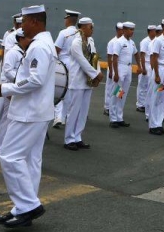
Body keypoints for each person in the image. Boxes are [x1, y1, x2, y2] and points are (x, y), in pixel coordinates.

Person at [0, 4, 56, 230]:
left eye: (24, 22)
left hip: (29, 112)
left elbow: (35, 80)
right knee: (30, 161)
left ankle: (29, 204)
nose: (21, 26)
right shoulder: (44, 44)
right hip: (37, 111)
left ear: (35, 22)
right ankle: (21, 209)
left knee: (9, 156)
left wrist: (7, 88)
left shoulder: (39, 47)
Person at [63, 17, 100, 150]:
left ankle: (77, 137)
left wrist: (98, 72)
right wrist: (95, 74)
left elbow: (95, 57)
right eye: (90, 27)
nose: (92, 30)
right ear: (83, 28)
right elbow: (82, 61)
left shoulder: (90, 41)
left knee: (83, 111)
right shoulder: (76, 43)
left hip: (87, 81)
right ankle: (68, 139)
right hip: (77, 80)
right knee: (74, 110)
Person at [52, 9, 80, 128]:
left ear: (68, 20)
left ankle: (58, 116)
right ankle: (65, 116)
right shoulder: (79, 34)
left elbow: (56, 50)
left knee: (59, 89)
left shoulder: (63, 33)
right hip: (74, 65)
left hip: (62, 64)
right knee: (69, 91)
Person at [147, 19, 164, 135]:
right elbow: (154, 58)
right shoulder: (158, 41)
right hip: (160, 70)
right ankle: (153, 125)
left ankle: (159, 123)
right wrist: (157, 74)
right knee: (155, 97)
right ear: (163, 27)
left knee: (163, 98)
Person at [106, 22, 135, 128]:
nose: (132, 32)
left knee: (122, 94)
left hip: (128, 68)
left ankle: (119, 117)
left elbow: (136, 53)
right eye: (130, 29)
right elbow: (114, 58)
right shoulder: (119, 42)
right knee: (116, 92)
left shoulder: (131, 42)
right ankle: (113, 118)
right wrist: (116, 73)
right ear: (125, 30)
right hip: (120, 67)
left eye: (133, 30)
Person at [103, 23, 124, 117]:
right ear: (117, 30)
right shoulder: (112, 42)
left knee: (119, 89)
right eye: (120, 29)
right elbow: (109, 57)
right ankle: (107, 107)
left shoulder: (123, 41)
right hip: (112, 67)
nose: (122, 31)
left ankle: (115, 107)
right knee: (110, 88)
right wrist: (111, 71)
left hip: (119, 68)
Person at [136, 25, 155, 115]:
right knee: (142, 86)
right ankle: (140, 104)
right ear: (150, 31)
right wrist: (143, 67)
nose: (155, 32)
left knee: (149, 86)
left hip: (151, 65)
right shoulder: (145, 41)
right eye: (153, 31)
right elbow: (142, 55)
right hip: (146, 64)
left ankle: (146, 103)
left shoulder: (155, 41)